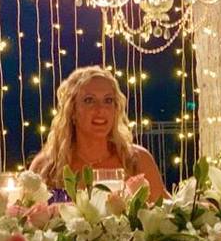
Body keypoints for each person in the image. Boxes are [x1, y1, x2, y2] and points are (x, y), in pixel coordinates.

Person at [29, 66, 167, 197]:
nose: (101, 109)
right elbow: (25, 216)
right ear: (72, 111)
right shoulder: (47, 166)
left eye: (108, 100)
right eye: (89, 100)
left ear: (116, 109)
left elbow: (168, 216)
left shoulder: (137, 160)